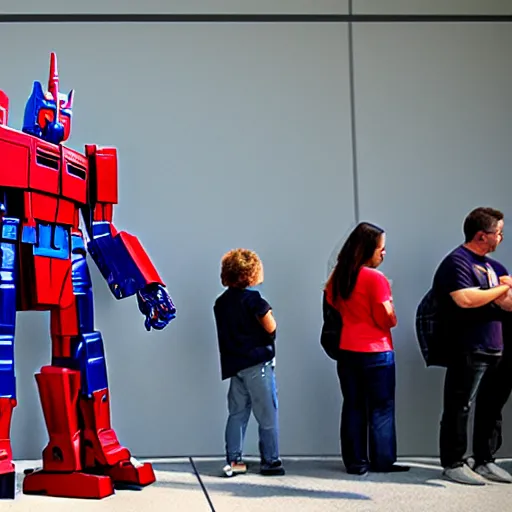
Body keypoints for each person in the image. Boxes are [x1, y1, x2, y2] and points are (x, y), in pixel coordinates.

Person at [432, 206, 512, 485]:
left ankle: (485, 459)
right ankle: (453, 462)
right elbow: (464, 299)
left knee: (492, 406)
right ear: (481, 235)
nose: (501, 238)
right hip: (467, 346)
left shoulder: (496, 267)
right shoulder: (457, 262)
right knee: (459, 405)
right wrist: (501, 289)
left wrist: (494, 294)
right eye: (498, 233)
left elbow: (509, 304)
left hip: (497, 347)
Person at [324, 222, 408, 475]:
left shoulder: (338, 277)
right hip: (376, 351)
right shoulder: (376, 278)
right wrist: (393, 316)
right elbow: (386, 317)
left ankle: (355, 461)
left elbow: (332, 305)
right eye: (381, 248)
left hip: (347, 349)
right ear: (368, 249)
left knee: (353, 404)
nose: (383, 253)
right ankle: (382, 460)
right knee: (381, 407)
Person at [213, 248, 285, 477]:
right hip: (258, 364)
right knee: (267, 414)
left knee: (237, 414)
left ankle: (234, 461)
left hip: (236, 366)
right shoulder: (254, 299)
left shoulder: (221, 303)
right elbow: (270, 325)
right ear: (251, 274)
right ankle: (270, 460)